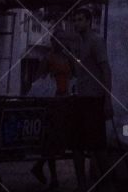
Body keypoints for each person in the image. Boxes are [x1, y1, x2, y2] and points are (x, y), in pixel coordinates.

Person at [66, 7, 113, 192]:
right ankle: (82, 185)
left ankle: (108, 184)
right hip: (81, 98)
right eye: (75, 20)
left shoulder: (96, 41)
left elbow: (106, 71)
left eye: (80, 20)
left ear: (88, 21)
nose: (77, 23)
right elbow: (79, 71)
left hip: (94, 99)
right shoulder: (79, 43)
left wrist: (107, 100)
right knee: (76, 146)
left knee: (98, 147)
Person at [30, 36, 74, 189]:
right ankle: (53, 177)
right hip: (52, 103)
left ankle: (39, 166)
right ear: (53, 41)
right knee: (51, 140)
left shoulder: (67, 58)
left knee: (58, 140)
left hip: (64, 101)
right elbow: (38, 80)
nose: (60, 42)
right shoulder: (48, 58)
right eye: (56, 39)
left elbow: (72, 76)